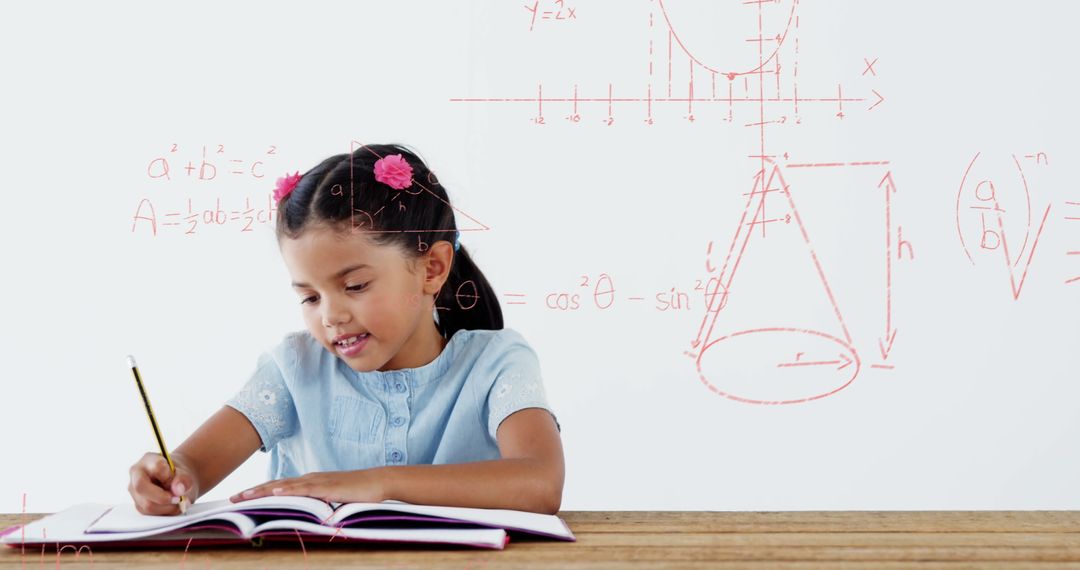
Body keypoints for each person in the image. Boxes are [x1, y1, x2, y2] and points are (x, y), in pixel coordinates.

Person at [128, 144, 564, 515]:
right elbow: (193, 467)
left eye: (354, 286)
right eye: (310, 297)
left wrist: (378, 483)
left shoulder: (496, 363)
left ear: (432, 268)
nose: (330, 316)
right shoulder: (294, 369)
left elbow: (540, 481)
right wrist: (172, 476)